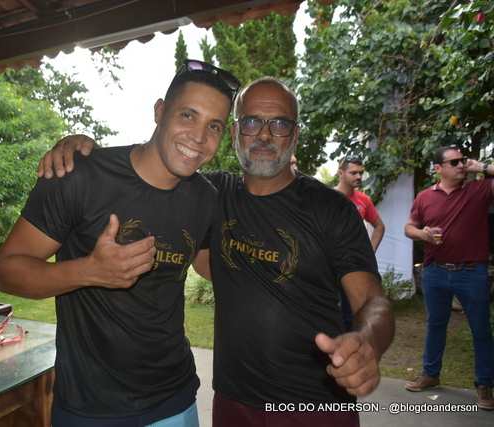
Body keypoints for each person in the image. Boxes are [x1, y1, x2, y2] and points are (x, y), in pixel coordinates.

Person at [39, 77, 395, 426]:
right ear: (235, 132)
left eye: (280, 124)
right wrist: (85, 151)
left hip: (315, 404)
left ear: (295, 134)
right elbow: (148, 171)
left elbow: (371, 300)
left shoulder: (331, 209)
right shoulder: (211, 195)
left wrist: (368, 341)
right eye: (252, 122)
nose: (265, 135)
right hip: (233, 401)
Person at [0, 59, 240, 426]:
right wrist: (89, 271)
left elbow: (210, 264)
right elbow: (5, 271)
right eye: (188, 115)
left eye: (213, 126)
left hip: (175, 400)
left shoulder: (206, 198)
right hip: (89, 408)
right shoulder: (80, 176)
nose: (199, 136)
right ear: (160, 111)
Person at [403, 146, 494, 410]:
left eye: (463, 161)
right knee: (435, 325)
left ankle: (484, 384)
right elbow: (409, 227)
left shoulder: (479, 189)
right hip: (435, 271)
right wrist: (421, 233)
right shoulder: (424, 197)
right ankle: (430, 374)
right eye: (454, 162)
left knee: (481, 330)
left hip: (471, 272)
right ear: (438, 168)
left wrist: (482, 167)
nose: (461, 165)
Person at [333, 155, 386, 332]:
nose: (358, 177)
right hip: (328, 265)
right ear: (340, 173)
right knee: (326, 310)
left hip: (352, 266)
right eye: (353, 173)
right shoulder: (327, 197)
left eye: (361, 173)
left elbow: (379, 226)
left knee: (351, 314)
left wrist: (368, 254)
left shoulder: (363, 199)